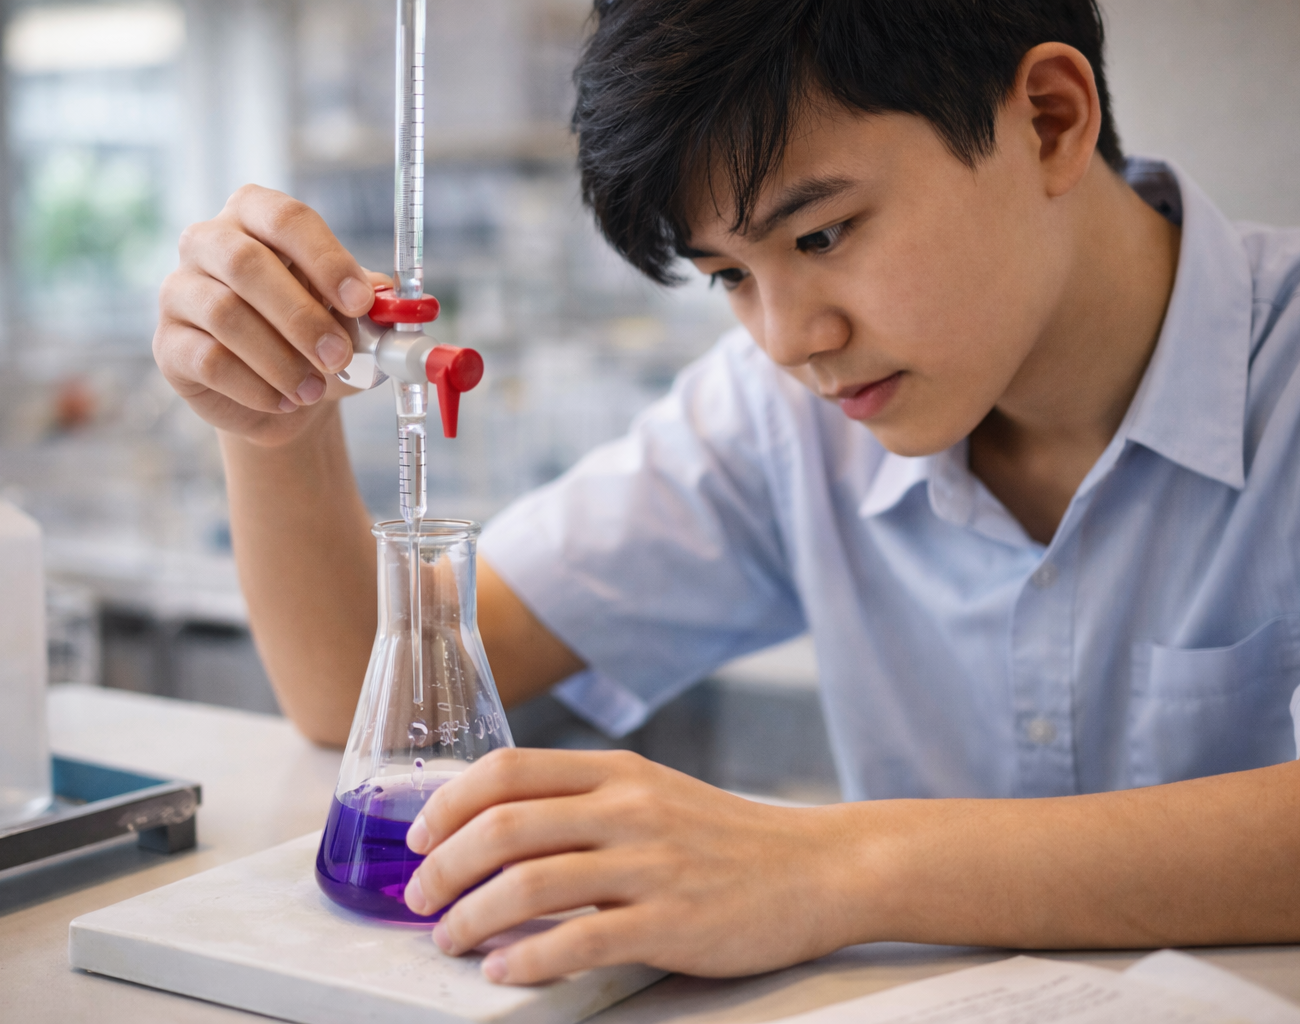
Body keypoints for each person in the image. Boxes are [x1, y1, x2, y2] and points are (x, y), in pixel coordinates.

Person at [154, 0, 1300, 986]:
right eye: (728, 278)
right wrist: (274, 417)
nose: (791, 337)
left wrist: (833, 866)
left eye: (825, 231)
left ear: (1049, 118)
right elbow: (356, 673)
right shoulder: (784, 416)